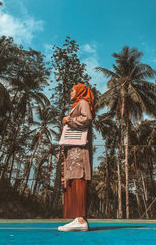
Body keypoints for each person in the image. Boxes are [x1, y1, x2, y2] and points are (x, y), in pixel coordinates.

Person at [58, 84, 94, 232]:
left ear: (80, 92)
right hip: (73, 151)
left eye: (72, 90)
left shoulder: (83, 103)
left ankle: (80, 219)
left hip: (79, 152)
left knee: (79, 178)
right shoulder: (76, 105)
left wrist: (68, 121)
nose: (70, 92)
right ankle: (78, 218)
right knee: (73, 179)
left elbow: (87, 118)